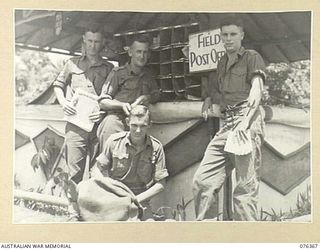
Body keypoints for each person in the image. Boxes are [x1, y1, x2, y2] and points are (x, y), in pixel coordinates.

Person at [192, 15, 266, 221]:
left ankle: (248, 240)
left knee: (244, 190)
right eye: (224, 35)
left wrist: (245, 122)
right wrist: (208, 98)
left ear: (242, 35)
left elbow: (256, 91)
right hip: (228, 124)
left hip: (246, 121)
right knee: (203, 181)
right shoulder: (222, 62)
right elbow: (222, 94)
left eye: (233, 34)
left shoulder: (252, 57)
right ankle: (207, 235)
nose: (228, 38)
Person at [53, 26, 114, 220]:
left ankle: (94, 212)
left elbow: (112, 95)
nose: (93, 46)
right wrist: (63, 103)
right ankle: (73, 211)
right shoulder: (71, 63)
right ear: (84, 41)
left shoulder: (109, 68)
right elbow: (58, 86)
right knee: (75, 170)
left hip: (98, 126)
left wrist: (103, 112)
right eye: (90, 41)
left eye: (97, 42)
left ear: (102, 43)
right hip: (75, 125)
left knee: (98, 170)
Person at [90, 105, 168, 220]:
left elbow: (161, 184)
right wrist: (106, 188)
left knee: (148, 230)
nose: (138, 130)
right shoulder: (114, 141)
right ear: (127, 122)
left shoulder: (156, 147)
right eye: (134, 125)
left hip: (139, 199)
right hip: (115, 195)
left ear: (150, 125)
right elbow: (96, 169)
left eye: (143, 126)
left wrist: (135, 200)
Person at [97, 34, 160, 153]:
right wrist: (121, 105)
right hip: (117, 120)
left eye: (145, 52)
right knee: (111, 157)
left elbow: (157, 94)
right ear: (130, 53)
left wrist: (147, 97)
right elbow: (102, 101)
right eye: (138, 52)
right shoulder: (118, 73)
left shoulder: (148, 75)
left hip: (138, 124)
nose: (142, 56)